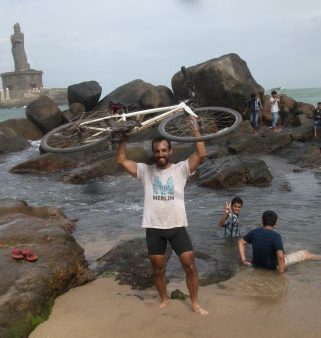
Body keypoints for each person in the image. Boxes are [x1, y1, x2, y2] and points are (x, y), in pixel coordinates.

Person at [116, 130, 209, 315]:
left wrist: (195, 130)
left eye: (164, 150)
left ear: (170, 151)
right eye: (157, 151)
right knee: (158, 269)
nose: (160, 154)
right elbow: (121, 161)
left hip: (177, 226)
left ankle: (195, 303)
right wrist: (123, 141)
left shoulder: (181, 169)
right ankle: (164, 298)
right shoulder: (145, 171)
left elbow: (201, 154)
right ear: (153, 152)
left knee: (189, 265)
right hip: (154, 228)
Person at [238, 210, 320, 273]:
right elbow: (280, 257)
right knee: (305, 254)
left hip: (256, 265)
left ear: (262, 221)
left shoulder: (254, 232)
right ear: (275, 223)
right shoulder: (276, 236)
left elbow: (241, 242)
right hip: (273, 267)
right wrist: (281, 273)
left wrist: (244, 260)